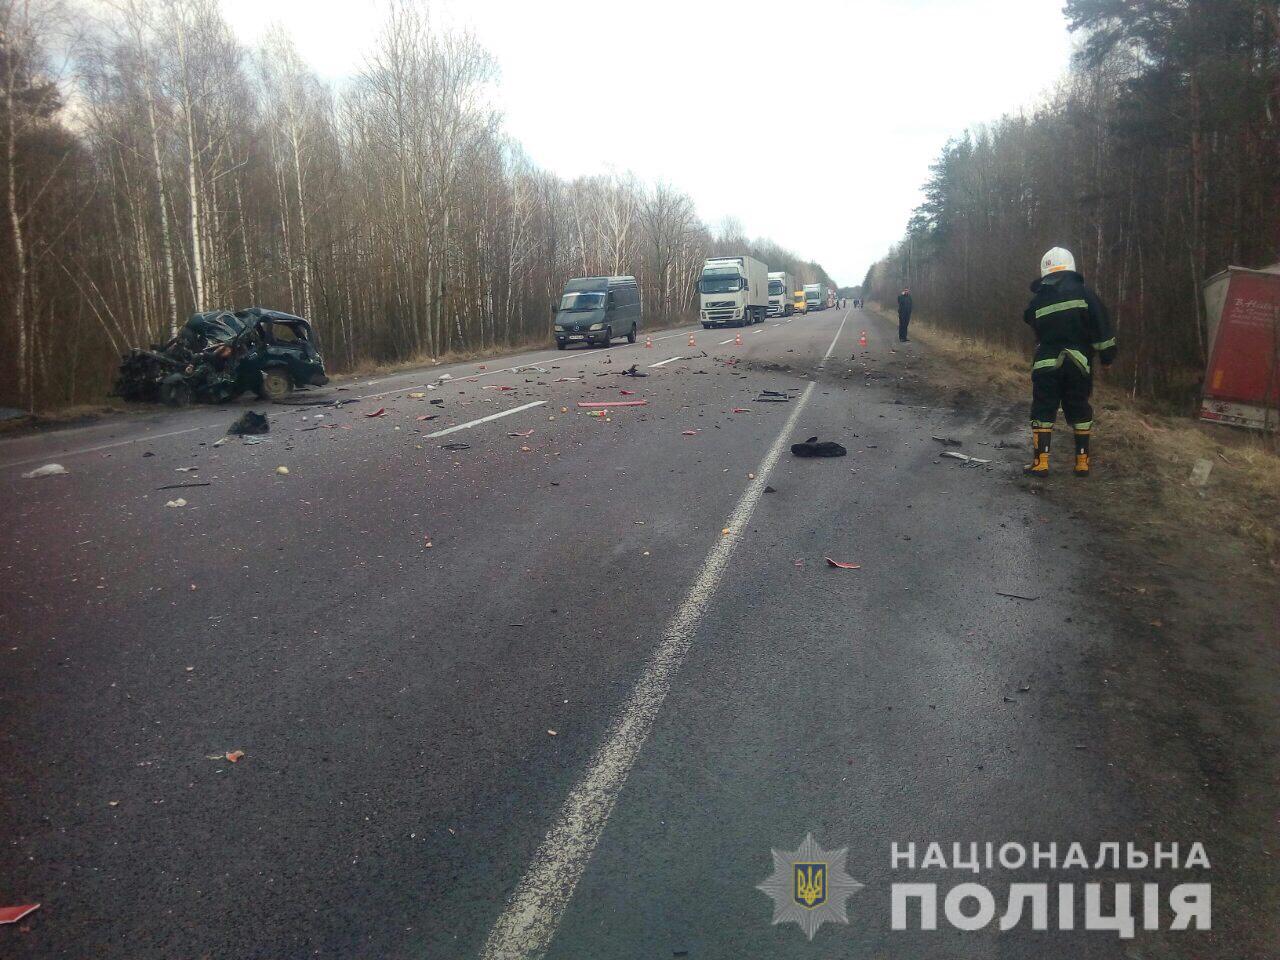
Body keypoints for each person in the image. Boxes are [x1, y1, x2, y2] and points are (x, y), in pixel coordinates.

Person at [1022, 247, 1117, 477]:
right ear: (1071, 269)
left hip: (1046, 364)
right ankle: (1082, 463)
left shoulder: (1038, 301)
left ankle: (1041, 463)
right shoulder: (1085, 295)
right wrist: (1107, 358)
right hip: (1078, 364)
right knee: (1079, 407)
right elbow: (1101, 328)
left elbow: (1027, 316)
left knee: (1044, 407)